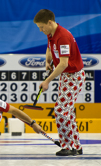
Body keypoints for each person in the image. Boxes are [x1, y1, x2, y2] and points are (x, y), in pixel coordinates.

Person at [33, 9, 85, 156]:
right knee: (67, 112)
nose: (41, 30)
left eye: (42, 27)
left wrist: (47, 81)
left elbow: (63, 64)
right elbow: (49, 46)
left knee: (60, 111)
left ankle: (68, 146)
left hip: (73, 76)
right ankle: (76, 146)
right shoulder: (52, 33)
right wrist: (47, 60)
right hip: (66, 76)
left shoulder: (62, 37)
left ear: (50, 22)